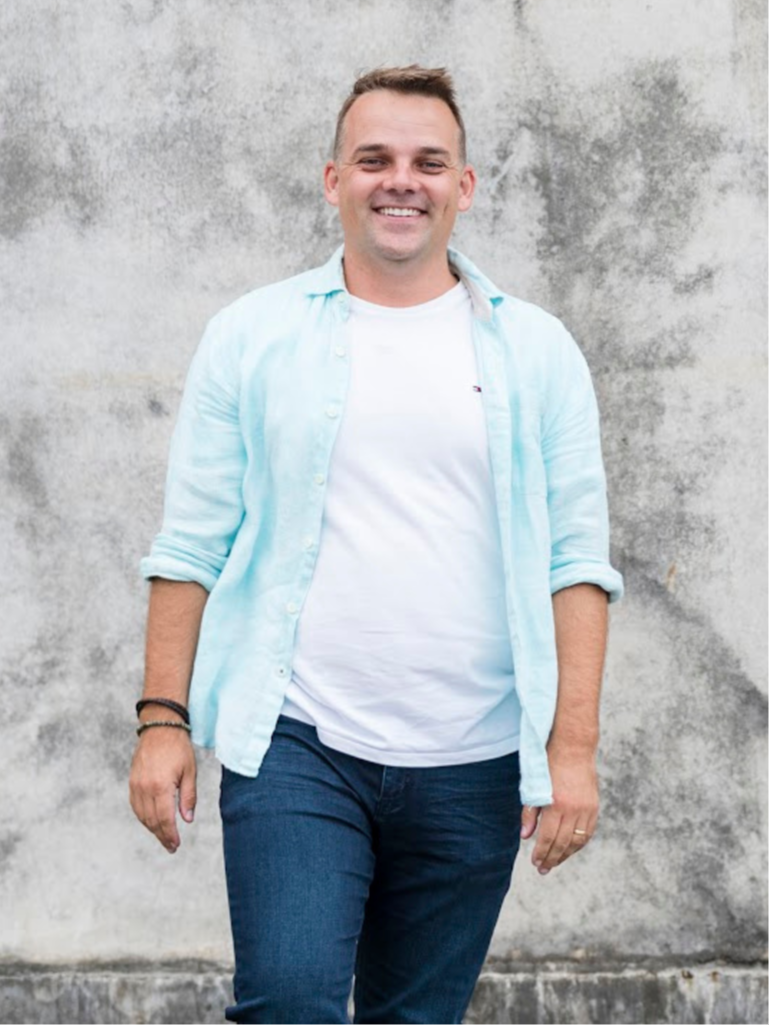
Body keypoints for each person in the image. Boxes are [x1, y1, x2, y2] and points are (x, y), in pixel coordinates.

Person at [129, 65, 624, 1024]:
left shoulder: (538, 351)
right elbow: (190, 543)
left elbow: (576, 563)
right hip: (298, 742)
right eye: (374, 160)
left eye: (428, 162)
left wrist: (571, 750)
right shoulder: (251, 335)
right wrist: (161, 722)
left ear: (463, 186)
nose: (401, 180)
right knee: (289, 1001)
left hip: (477, 758)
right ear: (333, 180)